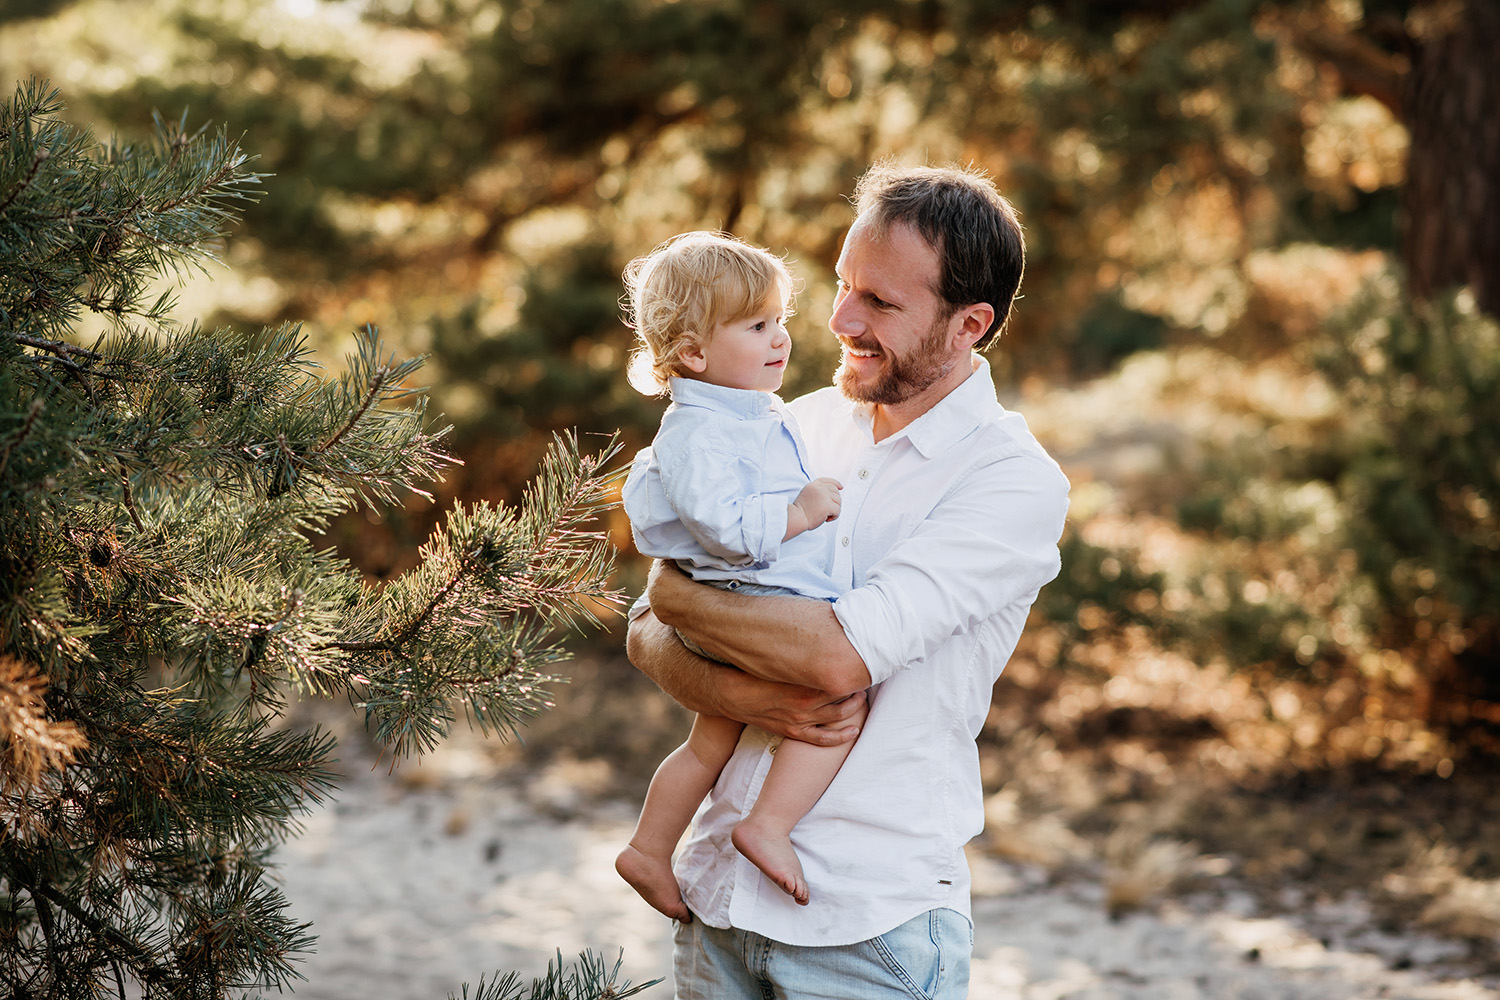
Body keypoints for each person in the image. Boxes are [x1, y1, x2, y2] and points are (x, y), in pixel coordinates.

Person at [626, 163, 1070, 1000]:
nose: (839, 320)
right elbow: (646, 628)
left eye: (881, 304)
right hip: (716, 907)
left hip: (865, 933)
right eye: (842, 285)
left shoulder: (1011, 481)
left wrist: (681, 602)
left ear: (969, 324)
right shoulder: (788, 426)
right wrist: (723, 660)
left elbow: (835, 661)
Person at [613, 231, 868, 925]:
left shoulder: (742, 412)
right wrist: (799, 511)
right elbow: (724, 527)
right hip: (752, 597)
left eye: (780, 320)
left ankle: (648, 846)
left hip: (741, 596)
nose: (781, 337)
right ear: (694, 352)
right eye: (758, 326)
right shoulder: (699, 430)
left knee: (710, 741)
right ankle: (768, 825)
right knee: (841, 705)